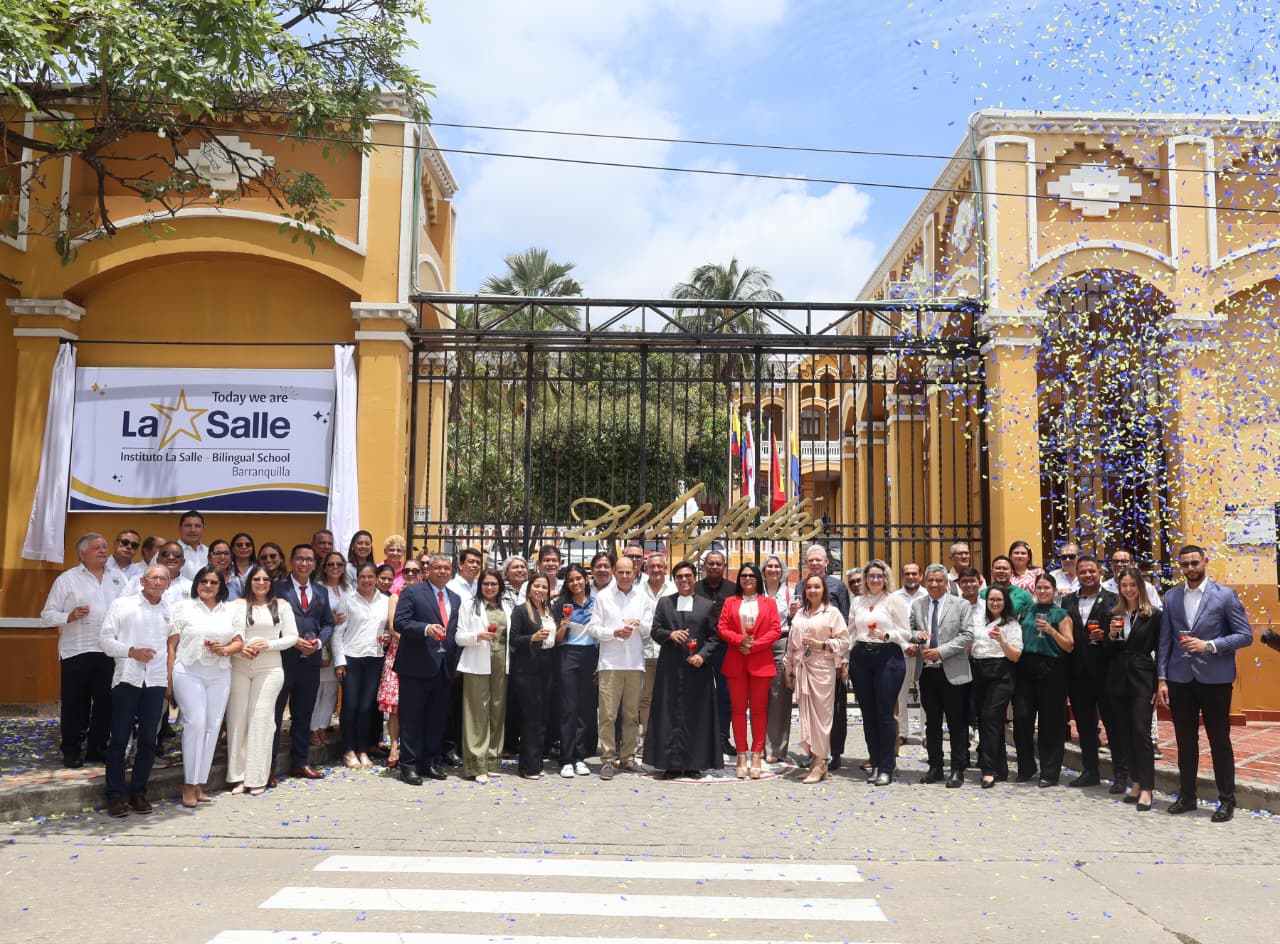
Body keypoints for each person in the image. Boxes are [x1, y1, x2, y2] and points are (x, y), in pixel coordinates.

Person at [1157, 545, 1253, 822]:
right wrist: (1162, 678)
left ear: (1205, 562)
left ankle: (1226, 800)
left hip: (1215, 679)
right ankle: (1187, 796)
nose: (1190, 569)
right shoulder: (1172, 596)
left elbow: (1245, 635)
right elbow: (1165, 640)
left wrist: (1209, 645)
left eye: (1194, 563)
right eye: (1185, 564)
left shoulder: (1225, 596)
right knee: (1185, 741)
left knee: (1219, 741)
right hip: (1180, 678)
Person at [40, 533, 122, 768]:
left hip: (109, 650)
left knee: (106, 702)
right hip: (76, 651)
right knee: (75, 703)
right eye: (96, 547)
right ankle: (71, 749)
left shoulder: (118, 578)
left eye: (104, 546)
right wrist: (69, 616)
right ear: (82, 554)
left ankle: (97, 748)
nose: (103, 550)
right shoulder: (67, 579)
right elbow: (46, 616)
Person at [99, 565, 172, 817]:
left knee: (149, 741)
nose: (158, 582)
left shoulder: (170, 610)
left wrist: (170, 681)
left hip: (156, 681)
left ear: (168, 584)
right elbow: (105, 641)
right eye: (153, 577)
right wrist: (131, 652)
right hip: (127, 678)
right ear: (142, 580)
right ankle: (115, 796)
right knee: (120, 739)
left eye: (163, 579)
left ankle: (139, 793)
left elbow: (172, 647)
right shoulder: (122, 605)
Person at [167, 566, 240, 808]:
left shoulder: (231, 610)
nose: (208, 586)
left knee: (212, 726)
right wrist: (168, 680)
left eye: (213, 582)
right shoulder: (182, 607)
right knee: (195, 723)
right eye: (203, 581)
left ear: (221, 587)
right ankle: (188, 784)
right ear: (197, 583)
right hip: (188, 670)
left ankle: (200, 782)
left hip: (220, 672)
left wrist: (224, 649)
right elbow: (171, 646)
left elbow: (239, 642)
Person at [643, 561, 722, 778]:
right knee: (668, 713)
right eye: (679, 577)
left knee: (696, 714)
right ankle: (670, 764)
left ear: (695, 578)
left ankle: (694, 763)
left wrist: (702, 656)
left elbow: (714, 637)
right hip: (670, 667)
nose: (684, 580)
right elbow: (655, 630)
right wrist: (669, 634)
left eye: (688, 576)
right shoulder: (665, 603)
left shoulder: (707, 605)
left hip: (697, 669)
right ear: (674, 580)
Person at [226, 566, 298, 795]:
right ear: (249, 581)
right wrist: (241, 650)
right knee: (237, 719)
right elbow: (230, 634)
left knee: (262, 720)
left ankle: (257, 777)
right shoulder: (236, 605)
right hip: (239, 666)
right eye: (256, 579)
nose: (261, 583)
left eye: (266, 579)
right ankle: (238, 776)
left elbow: (292, 637)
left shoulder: (282, 605)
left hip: (270, 668)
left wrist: (269, 644)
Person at [393, 552, 460, 784]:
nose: (442, 571)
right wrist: (425, 629)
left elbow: (454, 632)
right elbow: (400, 622)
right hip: (416, 666)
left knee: (436, 718)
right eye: (438, 567)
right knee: (411, 718)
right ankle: (408, 765)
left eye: (446, 568)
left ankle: (428, 762)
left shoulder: (454, 598)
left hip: (443, 667)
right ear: (428, 570)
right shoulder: (413, 592)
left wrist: (455, 662)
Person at [908, 563, 975, 787]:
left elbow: (967, 635)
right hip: (928, 672)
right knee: (933, 723)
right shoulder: (918, 604)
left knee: (957, 722)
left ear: (946, 583)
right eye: (930, 580)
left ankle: (957, 768)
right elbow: (909, 630)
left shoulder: (961, 604)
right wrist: (917, 635)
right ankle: (935, 766)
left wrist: (941, 651)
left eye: (938, 580)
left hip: (953, 670)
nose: (934, 584)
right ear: (925, 582)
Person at [273, 544, 334, 781]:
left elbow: (328, 623)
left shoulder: (321, 591)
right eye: (300, 559)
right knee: (275, 713)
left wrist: (318, 643)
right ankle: (268, 767)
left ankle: (300, 762)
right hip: (282, 659)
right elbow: (270, 619)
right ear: (291, 561)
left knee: (303, 713)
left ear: (315, 564)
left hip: (310, 660)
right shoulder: (277, 587)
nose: (304, 563)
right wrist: (291, 640)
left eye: (309, 560)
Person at [717, 561, 782, 780]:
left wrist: (754, 646)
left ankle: (756, 754)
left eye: (751, 576)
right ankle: (741, 755)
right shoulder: (730, 602)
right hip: (736, 660)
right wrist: (740, 640)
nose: (747, 579)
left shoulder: (768, 603)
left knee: (759, 711)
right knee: (737, 710)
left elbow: (775, 630)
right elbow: (722, 628)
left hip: (760, 661)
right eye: (743, 576)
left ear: (758, 579)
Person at [848, 560, 910, 786]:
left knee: (884, 713)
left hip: (888, 656)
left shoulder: (894, 600)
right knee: (868, 713)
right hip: (862, 657)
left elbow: (906, 633)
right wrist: (845, 659)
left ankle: (886, 766)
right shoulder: (857, 601)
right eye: (871, 576)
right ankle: (874, 761)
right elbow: (851, 632)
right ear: (865, 579)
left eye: (879, 576)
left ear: (885, 578)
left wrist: (887, 635)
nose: (875, 580)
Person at [1105, 567, 1162, 812]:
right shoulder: (1115, 614)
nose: (1128, 590)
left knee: (1141, 731)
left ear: (1140, 587)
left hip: (1142, 677)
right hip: (1117, 678)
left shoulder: (1153, 615)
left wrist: (1159, 682)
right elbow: (1107, 650)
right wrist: (1111, 635)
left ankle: (1148, 787)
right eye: (1124, 586)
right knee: (1124, 732)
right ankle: (1136, 783)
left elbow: (1161, 650)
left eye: (1132, 585)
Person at [590, 556, 651, 780]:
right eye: (621, 572)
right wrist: (613, 632)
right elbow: (593, 629)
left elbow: (649, 629)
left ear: (635, 573)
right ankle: (608, 758)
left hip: (634, 663)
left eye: (629, 572)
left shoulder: (642, 596)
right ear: (615, 572)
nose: (625, 576)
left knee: (631, 714)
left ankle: (628, 757)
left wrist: (639, 624)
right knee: (608, 714)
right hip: (610, 663)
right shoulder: (603, 596)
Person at [786, 574, 850, 784]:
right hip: (802, 668)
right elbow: (791, 643)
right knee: (807, 717)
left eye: (817, 587)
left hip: (822, 668)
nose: (812, 591)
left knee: (822, 718)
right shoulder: (800, 614)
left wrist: (821, 645)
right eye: (809, 587)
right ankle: (815, 761)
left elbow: (844, 641)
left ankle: (821, 762)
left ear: (824, 590)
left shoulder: (832, 613)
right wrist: (788, 667)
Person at [1061, 554, 1118, 789]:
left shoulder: (1114, 599)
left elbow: (1121, 635)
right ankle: (1090, 771)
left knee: (1113, 724)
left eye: (1091, 571)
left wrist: (1107, 637)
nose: (1087, 575)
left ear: (1100, 573)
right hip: (1078, 673)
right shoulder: (1067, 601)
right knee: (1084, 726)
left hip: (1106, 671)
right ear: (1077, 573)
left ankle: (1121, 774)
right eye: (1083, 571)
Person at [1012, 572, 1074, 787]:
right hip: (1026, 667)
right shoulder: (1026, 611)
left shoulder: (1061, 614)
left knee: (1051, 723)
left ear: (1054, 591)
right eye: (1039, 587)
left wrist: (1051, 631)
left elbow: (1069, 645)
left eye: (1047, 588)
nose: (1043, 591)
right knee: (1021, 718)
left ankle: (1049, 771)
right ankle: (1026, 766)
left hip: (1052, 668)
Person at [798, 544, 851, 769]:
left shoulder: (838, 586)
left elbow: (845, 623)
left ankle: (834, 752)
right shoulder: (800, 585)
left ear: (827, 562)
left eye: (818, 560)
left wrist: (843, 660)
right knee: (811, 709)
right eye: (811, 561)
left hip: (831, 657)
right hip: (808, 659)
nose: (814, 564)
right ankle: (814, 753)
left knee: (834, 708)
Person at [457, 568, 512, 782]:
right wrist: (477, 636)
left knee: (497, 709)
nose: (490, 587)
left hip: (501, 662)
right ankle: (476, 764)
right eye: (486, 584)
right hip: (477, 662)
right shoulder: (469, 605)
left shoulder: (506, 606)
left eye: (493, 584)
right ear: (480, 586)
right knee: (477, 712)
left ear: (500, 586)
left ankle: (492, 759)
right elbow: (459, 636)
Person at [333, 561, 389, 770]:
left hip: (375, 657)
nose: (366, 580)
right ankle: (349, 750)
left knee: (367, 707)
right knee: (351, 705)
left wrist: (386, 637)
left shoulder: (385, 601)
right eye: (362, 577)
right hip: (351, 658)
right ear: (357, 579)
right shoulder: (347, 600)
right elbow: (337, 634)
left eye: (370, 577)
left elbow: (388, 628)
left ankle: (363, 749)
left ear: (376, 578)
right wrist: (339, 662)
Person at [969, 581, 1022, 788]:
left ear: (1005, 602)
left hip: (1001, 672)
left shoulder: (1011, 624)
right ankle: (1001, 767)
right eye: (991, 599)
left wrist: (1002, 640)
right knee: (988, 720)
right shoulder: (978, 620)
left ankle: (988, 769)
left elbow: (1015, 656)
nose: (995, 603)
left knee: (990, 718)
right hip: (979, 671)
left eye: (999, 599)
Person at [508, 573, 556, 778]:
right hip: (527, 668)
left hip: (547, 665)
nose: (540, 590)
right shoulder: (520, 610)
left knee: (542, 716)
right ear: (529, 588)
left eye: (544, 587)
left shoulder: (549, 610)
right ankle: (528, 767)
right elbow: (513, 638)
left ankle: (536, 762)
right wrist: (532, 638)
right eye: (537, 586)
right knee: (530, 717)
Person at [555, 563, 597, 778]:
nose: (575, 583)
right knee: (568, 709)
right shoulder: (562, 604)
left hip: (591, 655)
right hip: (568, 654)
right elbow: (557, 639)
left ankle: (580, 757)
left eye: (578, 578)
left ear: (586, 579)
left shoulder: (596, 602)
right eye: (571, 580)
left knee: (585, 709)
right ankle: (566, 759)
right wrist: (564, 625)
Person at [377, 560, 419, 769]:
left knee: (416, 704)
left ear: (421, 574)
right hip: (399, 652)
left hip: (420, 654)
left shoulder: (425, 594)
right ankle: (394, 745)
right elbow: (393, 627)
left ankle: (412, 746)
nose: (410, 573)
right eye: (407, 570)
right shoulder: (395, 596)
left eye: (415, 570)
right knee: (395, 705)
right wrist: (413, 641)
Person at [694, 549, 736, 756]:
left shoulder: (733, 589)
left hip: (726, 649)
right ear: (704, 566)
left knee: (725, 695)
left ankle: (722, 737)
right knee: (699, 693)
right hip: (700, 650)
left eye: (719, 564)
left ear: (724, 566)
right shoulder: (694, 588)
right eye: (710, 563)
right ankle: (699, 737)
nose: (714, 567)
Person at [637, 551, 675, 760]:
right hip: (644, 651)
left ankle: (667, 739)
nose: (656, 570)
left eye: (660, 566)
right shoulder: (637, 590)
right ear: (646, 568)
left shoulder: (674, 589)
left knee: (669, 698)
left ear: (665, 568)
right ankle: (646, 739)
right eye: (652, 566)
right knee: (646, 699)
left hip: (668, 650)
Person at [314, 551, 350, 747]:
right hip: (322, 643)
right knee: (317, 689)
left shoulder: (348, 588)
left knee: (331, 690)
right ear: (325, 567)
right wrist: (329, 619)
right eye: (331, 564)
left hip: (342, 644)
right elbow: (311, 615)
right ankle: (313, 728)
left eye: (339, 564)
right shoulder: (318, 588)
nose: (335, 567)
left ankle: (323, 725)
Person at [762, 554, 795, 764]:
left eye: (776, 566)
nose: (773, 569)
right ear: (763, 571)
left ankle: (776, 749)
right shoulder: (757, 592)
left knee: (779, 697)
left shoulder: (790, 593)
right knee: (759, 698)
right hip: (760, 645)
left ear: (782, 571)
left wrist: (793, 614)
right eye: (769, 566)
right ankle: (759, 745)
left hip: (782, 643)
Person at [893, 561, 928, 749]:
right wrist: (905, 645)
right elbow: (891, 626)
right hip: (902, 651)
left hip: (925, 651)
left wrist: (919, 644)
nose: (911, 577)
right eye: (907, 573)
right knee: (900, 694)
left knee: (926, 694)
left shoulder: (928, 595)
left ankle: (926, 733)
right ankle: (902, 733)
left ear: (920, 576)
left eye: (914, 573)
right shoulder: (894, 598)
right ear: (902, 576)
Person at [177, 510, 209, 581]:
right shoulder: (166, 553)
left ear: (203, 529)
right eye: (188, 526)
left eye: (197, 526)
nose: (193, 530)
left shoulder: (209, 552)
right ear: (179, 528)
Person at [229, 532, 256, 597]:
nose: (244, 547)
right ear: (232, 549)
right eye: (239, 545)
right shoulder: (226, 569)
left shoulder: (259, 569)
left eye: (248, 545)